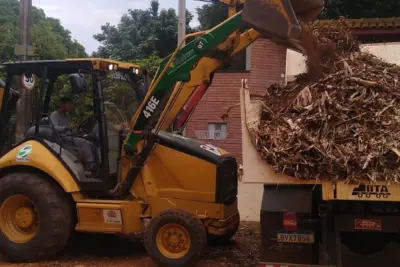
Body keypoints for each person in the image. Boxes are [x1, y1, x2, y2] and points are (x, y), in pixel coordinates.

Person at [50, 97, 97, 177]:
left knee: (91, 143)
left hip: (69, 137)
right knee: (85, 144)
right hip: (61, 139)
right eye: (69, 104)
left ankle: (94, 165)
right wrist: (66, 128)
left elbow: (70, 128)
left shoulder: (67, 115)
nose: (71, 106)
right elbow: (54, 128)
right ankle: (89, 168)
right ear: (62, 105)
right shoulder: (55, 115)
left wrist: (77, 132)